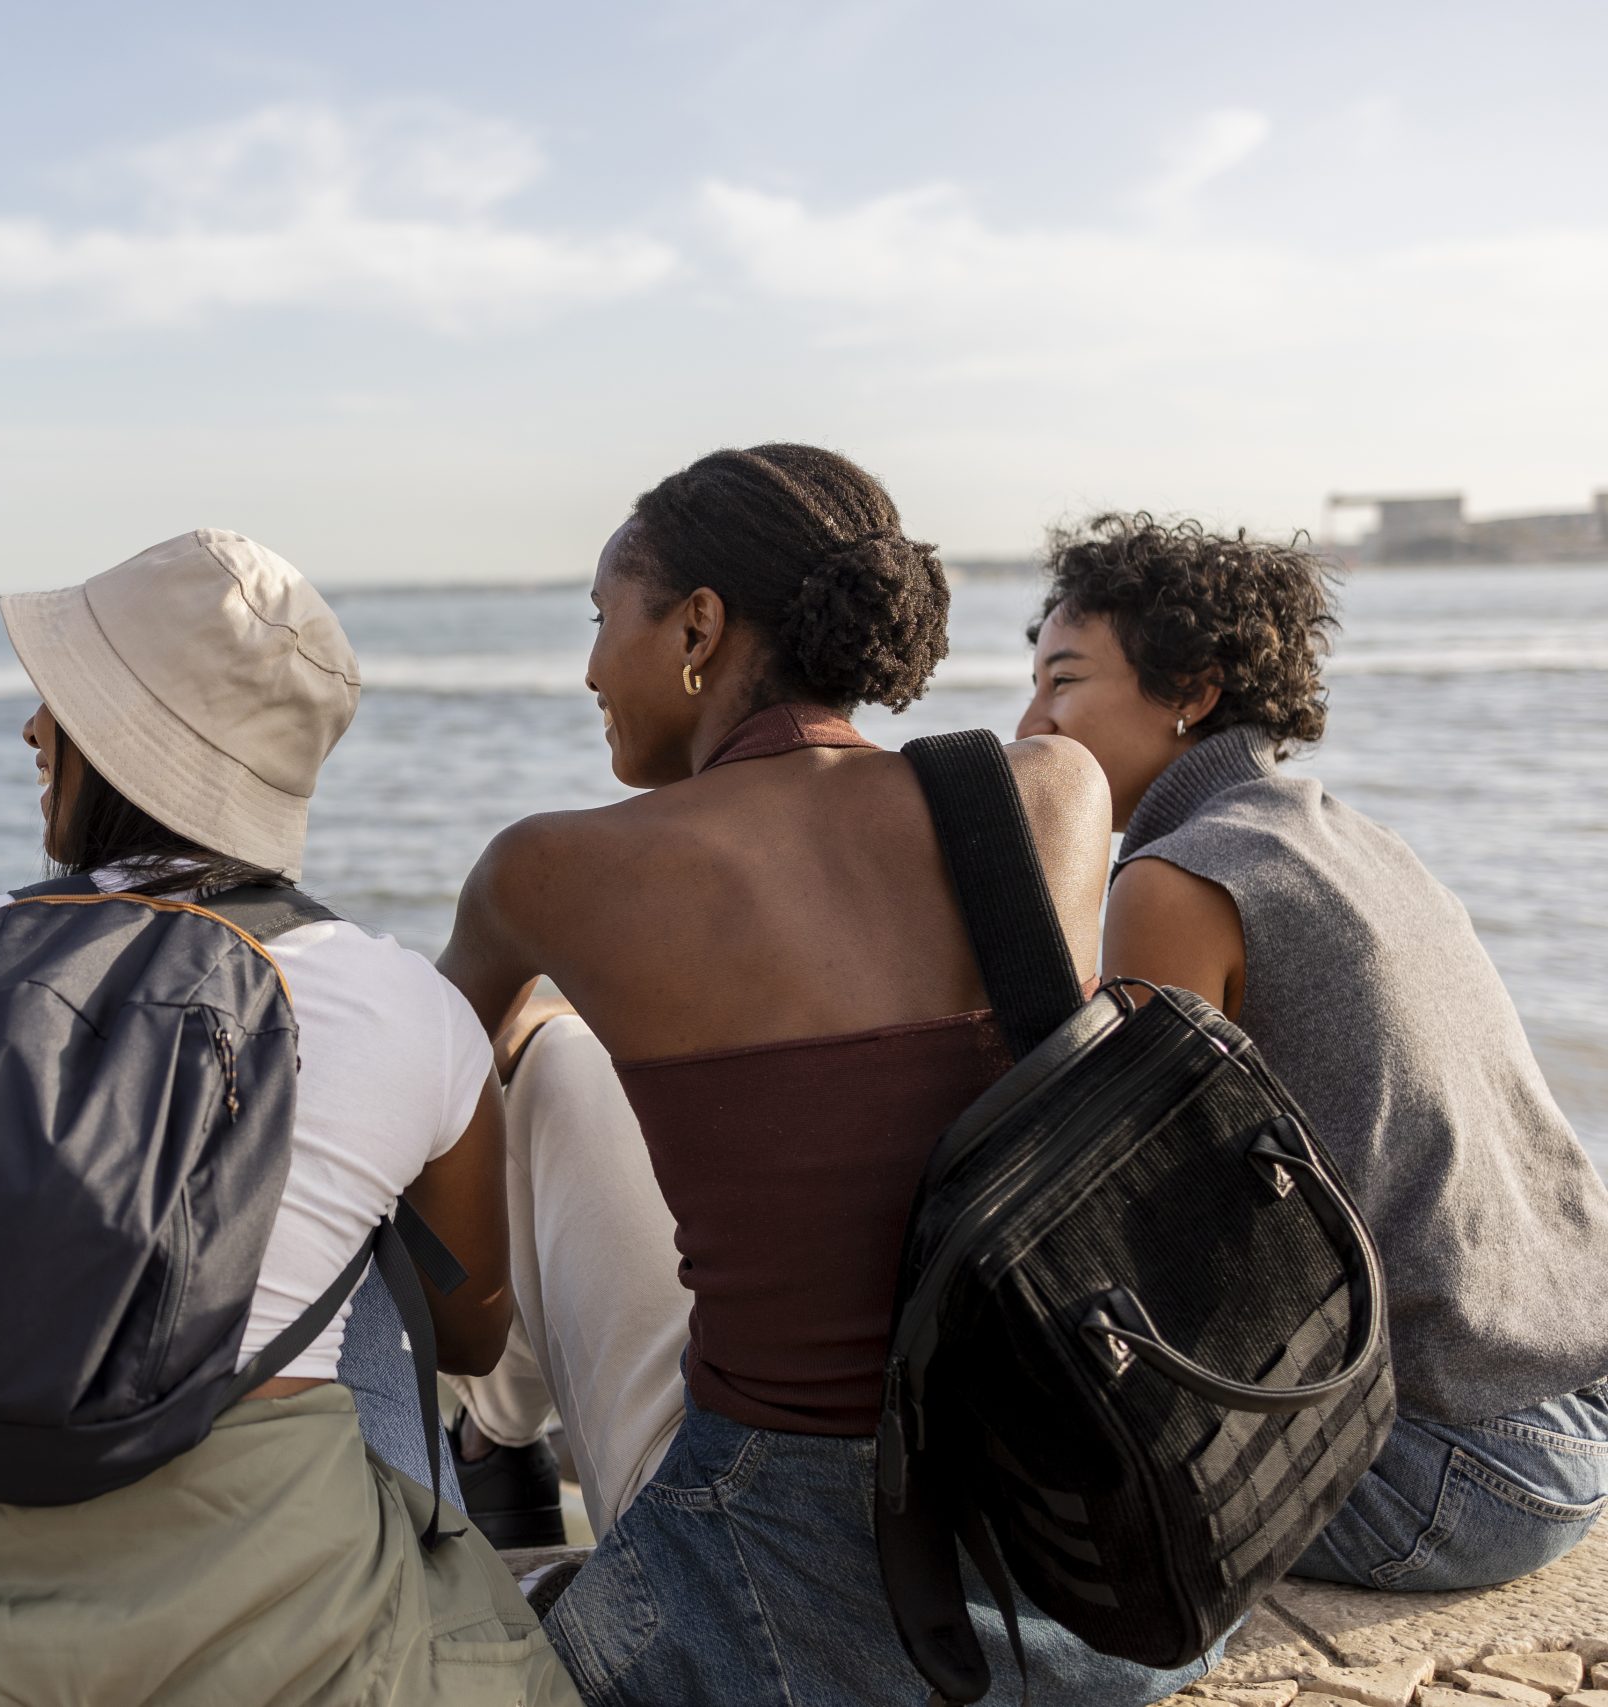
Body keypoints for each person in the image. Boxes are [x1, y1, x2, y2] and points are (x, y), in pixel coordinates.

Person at [0, 529, 576, 1707]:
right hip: (268, 1624)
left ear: (121, 745)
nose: (31, 731)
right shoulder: (399, 1003)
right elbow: (475, 1341)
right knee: (367, 1252)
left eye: (57, 703)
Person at [436, 446, 1216, 1703]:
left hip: (782, 1574)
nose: (587, 669)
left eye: (600, 622)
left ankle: (481, 1450)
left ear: (697, 626)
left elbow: (405, 1111)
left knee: (538, 1063)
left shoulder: (545, 870)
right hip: (1075, 1559)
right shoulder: (1049, 794)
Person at [1018, 513, 1608, 1592]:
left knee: (1019, 1485)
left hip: (1452, 1478)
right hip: (1579, 1412)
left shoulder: (1179, 876)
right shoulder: (1349, 838)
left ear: (1190, 690)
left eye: (1062, 683)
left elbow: (1142, 1213)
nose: (1030, 721)